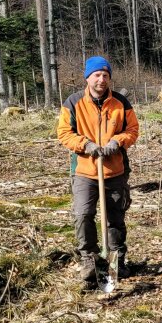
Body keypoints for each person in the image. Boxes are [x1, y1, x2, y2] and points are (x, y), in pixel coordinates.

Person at [57, 56, 139, 287]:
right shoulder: (73, 103)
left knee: (115, 218)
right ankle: (89, 260)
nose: (101, 79)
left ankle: (116, 261)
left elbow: (133, 130)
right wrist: (85, 145)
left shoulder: (121, 103)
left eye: (105, 75)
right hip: (85, 171)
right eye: (97, 75)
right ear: (88, 78)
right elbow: (64, 133)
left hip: (114, 171)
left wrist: (118, 141)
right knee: (83, 215)